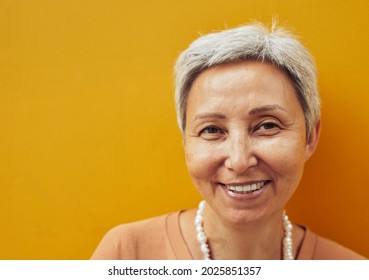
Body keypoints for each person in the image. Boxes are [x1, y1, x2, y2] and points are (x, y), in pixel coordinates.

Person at [91, 22, 366, 260]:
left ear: (310, 137)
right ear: (186, 143)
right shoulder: (127, 253)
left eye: (267, 126)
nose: (239, 161)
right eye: (212, 130)